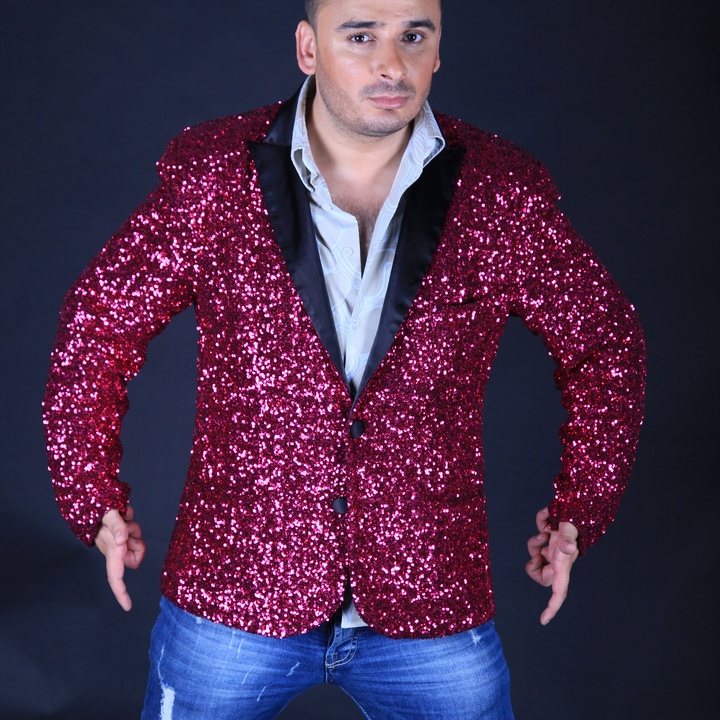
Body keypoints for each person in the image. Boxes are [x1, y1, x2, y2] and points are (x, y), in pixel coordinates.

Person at [43, 0, 646, 718]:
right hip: (233, 590)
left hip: (430, 594)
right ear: (308, 48)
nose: (391, 64)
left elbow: (606, 344)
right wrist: (93, 496)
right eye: (361, 36)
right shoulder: (214, 174)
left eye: (413, 36)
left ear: (438, 51)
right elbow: (97, 327)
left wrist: (580, 509)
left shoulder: (500, 190)